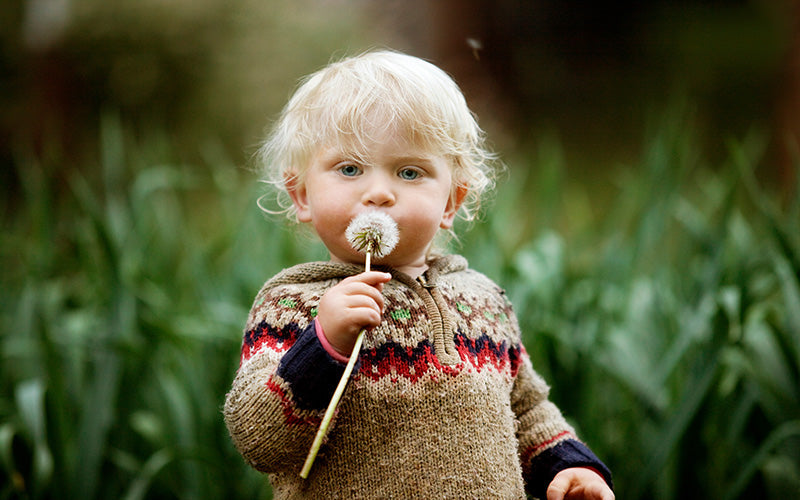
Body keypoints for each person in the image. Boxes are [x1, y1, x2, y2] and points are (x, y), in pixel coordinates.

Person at [224, 49, 614, 500]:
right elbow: (260, 441)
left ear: (451, 201)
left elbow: (526, 410)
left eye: (410, 172)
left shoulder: (482, 300)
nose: (379, 192)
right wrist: (324, 344)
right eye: (349, 169)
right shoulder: (293, 305)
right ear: (302, 194)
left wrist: (568, 466)